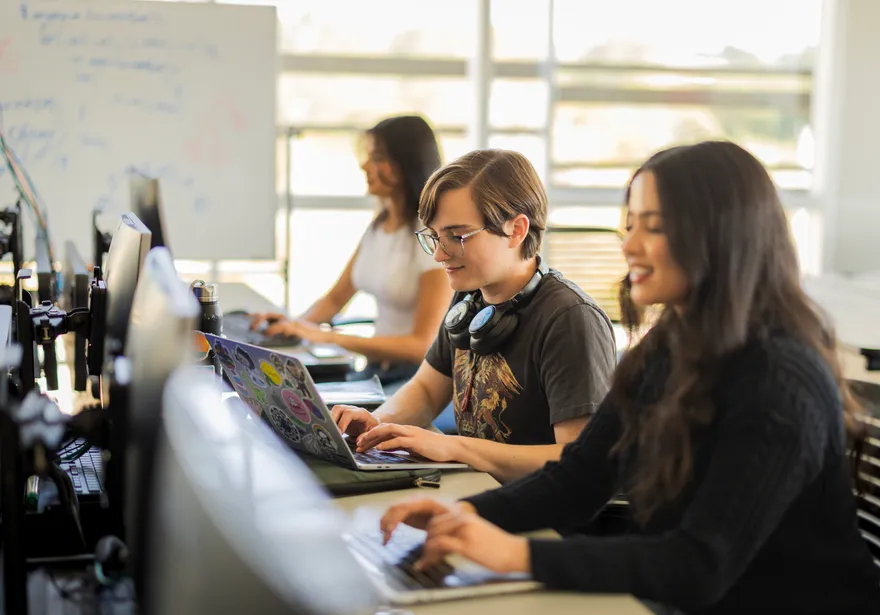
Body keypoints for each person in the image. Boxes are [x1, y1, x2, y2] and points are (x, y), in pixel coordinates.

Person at [376, 141, 880, 614]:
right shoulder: (672, 345)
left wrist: (518, 556)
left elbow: (699, 565)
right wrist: (464, 516)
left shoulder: (780, 379)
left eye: (652, 227)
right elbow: (581, 477)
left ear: (719, 237)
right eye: (630, 223)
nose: (628, 244)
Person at [332, 149, 617, 484]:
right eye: (435, 237)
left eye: (458, 236)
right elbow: (426, 388)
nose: (439, 254)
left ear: (516, 230)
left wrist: (455, 447)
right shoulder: (470, 297)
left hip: (538, 518)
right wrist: (377, 425)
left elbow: (580, 461)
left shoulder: (570, 319)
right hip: (478, 492)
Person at [251, 116, 453, 388]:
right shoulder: (380, 226)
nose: (365, 165)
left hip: (416, 379)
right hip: (375, 370)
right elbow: (335, 299)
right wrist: (291, 326)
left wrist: (327, 336)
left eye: (378, 158)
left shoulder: (428, 236)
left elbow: (422, 345)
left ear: (406, 164)